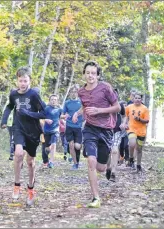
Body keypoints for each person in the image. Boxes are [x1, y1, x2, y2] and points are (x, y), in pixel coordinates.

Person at [73, 60, 120, 208]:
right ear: (84, 74)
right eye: (87, 73)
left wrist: (99, 111)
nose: (90, 75)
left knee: (100, 168)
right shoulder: (81, 92)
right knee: (91, 161)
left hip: (106, 130)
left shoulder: (105, 88)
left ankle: (107, 165)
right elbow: (85, 106)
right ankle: (96, 198)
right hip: (90, 128)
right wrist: (77, 113)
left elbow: (117, 107)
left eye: (93, 73)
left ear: (98, 75)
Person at [1, 66, 46, 206]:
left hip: (33, 131)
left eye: (25, 81)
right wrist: (4, 120)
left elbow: (44, 113)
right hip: (18, 128)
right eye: (20, 81)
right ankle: (16, 185)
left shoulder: (34, 95)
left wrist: (29, 114)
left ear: (30, 81)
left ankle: (31, 188)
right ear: (17, 81)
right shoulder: (13, 94)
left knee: (30, 162)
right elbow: (9, 106)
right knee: (18, 154)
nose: (23, 83)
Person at [121, 92, 149, 173]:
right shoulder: (129, 107)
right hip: (131, 129)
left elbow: (147, 120)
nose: (137, 99)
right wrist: (124, 123)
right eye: (136, 98)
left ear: (141, 99)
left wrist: (140, 119)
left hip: (141, 131)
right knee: (132, 143)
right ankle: (131, 158)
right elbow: (126, 116)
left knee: (139, 149)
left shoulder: (145, 109)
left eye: (139, 98)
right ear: (133, 99)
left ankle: (138, 165)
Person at [105, 90, 127, 182]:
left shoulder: (120, 105)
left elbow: (124, 115)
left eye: (115, 94)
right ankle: (108, 168)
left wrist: (123, 123)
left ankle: (113, 172)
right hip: (105, 131)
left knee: (114, 150)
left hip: (116, 131)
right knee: (107, 152)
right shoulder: (104, 104)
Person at [63, 85, 84, 170]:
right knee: (71, 145)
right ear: (70, 93)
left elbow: (84, 111)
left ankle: (77, 159)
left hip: (78, 127)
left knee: (77, 146)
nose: (74, 93)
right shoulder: (67, 103)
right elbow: (63, 114)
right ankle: (75, 164)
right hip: (69, 126)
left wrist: (82, 118)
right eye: (72, 92)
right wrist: (65, 115)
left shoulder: (81, 102)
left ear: (78, 93)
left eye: (75, 92)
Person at [43, 95, 64, 168]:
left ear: (57, 101)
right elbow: (41, 117)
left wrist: (65, 119)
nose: (53, 101)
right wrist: (46, 120)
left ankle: (51, 162)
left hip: (55, 130)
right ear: (49, 101)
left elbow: (61, 116)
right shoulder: (46, 108)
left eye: (55, 99)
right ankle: (47, 150)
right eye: (52, 99)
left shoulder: (59, 109)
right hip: (46, 130)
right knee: (47, 148)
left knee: (54, 144)